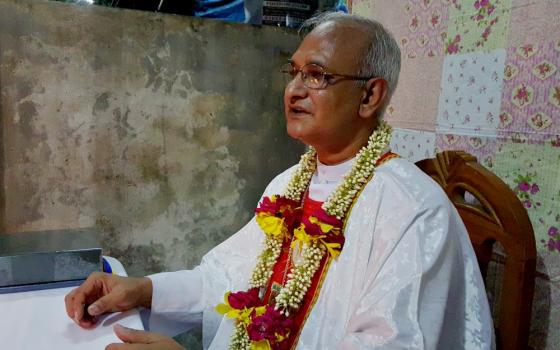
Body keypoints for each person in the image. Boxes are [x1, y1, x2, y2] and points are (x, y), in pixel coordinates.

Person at [65, 12, 494, 350]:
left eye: (317, 75)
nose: (293, 90)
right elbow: (230, 281)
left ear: (370, 96)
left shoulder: (413, 211)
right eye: (293, 72)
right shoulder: (288, 185)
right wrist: (140, 290)